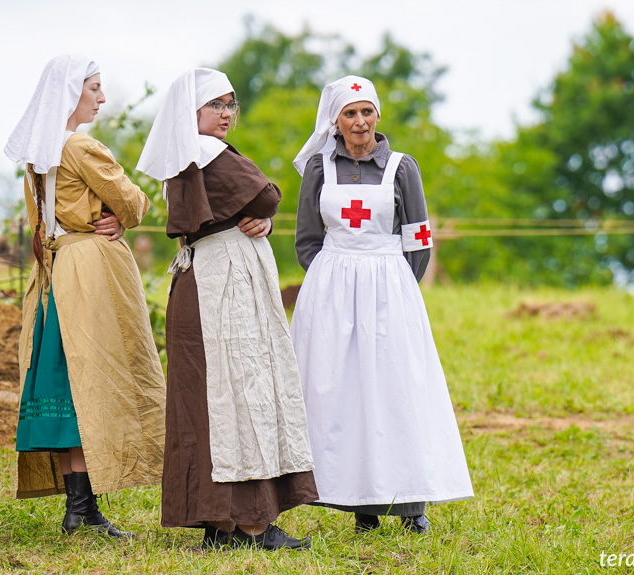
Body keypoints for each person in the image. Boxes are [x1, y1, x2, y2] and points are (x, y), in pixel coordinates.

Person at [136, 68, 318, 551]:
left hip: (201, 279)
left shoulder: (185, 156)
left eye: (229, 105)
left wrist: (255, 220)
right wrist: (260, 214)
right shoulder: (207, 151)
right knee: (239, 393)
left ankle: (222, 524)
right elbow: (267, 195)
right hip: (222, 284)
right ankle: (252, 524)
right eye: (214, 104)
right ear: (189, 112)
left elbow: (238, 210)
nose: (225, 114)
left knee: (210, 400)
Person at [291, 75, 474, 534]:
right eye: (350, 113)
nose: (359, 122)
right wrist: (335, 282)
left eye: (366, 112)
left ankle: (412, 505)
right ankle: (360, 507)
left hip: (388, 290)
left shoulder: (401, 167)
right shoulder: (320, 168)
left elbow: (418, 238)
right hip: (333, 294)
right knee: (343, 395)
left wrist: (393, 286)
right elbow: (308, 239)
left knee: (396, 390)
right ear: (335, 120)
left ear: (378, 115)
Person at [4, 55, 166, 538]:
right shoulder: (80, 146)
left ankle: (82, 509)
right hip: (88, 273)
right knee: (92, 378)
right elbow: (134, 203)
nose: (101, 97)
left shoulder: (37, 153)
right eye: (93, 88)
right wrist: (119, 216)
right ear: (70, 93)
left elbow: (38, 225)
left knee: (69, 384)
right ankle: (83, 509)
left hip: (54, 274)